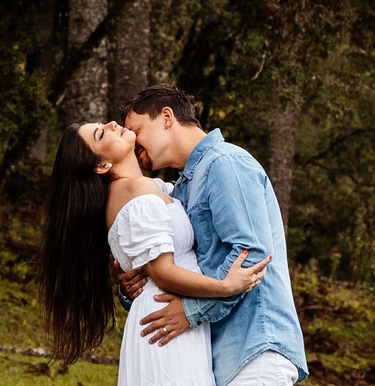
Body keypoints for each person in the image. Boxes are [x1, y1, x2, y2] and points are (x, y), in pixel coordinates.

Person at [38, 118, 270, 384]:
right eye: (102, 134)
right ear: (102, 165)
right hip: (166, 319)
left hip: (167, 316)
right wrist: (226, 286)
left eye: (104, 124)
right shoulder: (134, 191)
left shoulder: (143, 188)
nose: (113, 123)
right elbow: (162, 272)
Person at [122, 87, 308, 386]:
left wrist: (192, 310)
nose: (133, 143)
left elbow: (254, 256)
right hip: (217, 355)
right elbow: (184, 266)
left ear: (167, 117)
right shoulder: (182, 188)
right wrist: (139, 283)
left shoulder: (225, 163)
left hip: (256, 346)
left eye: (136, 130)